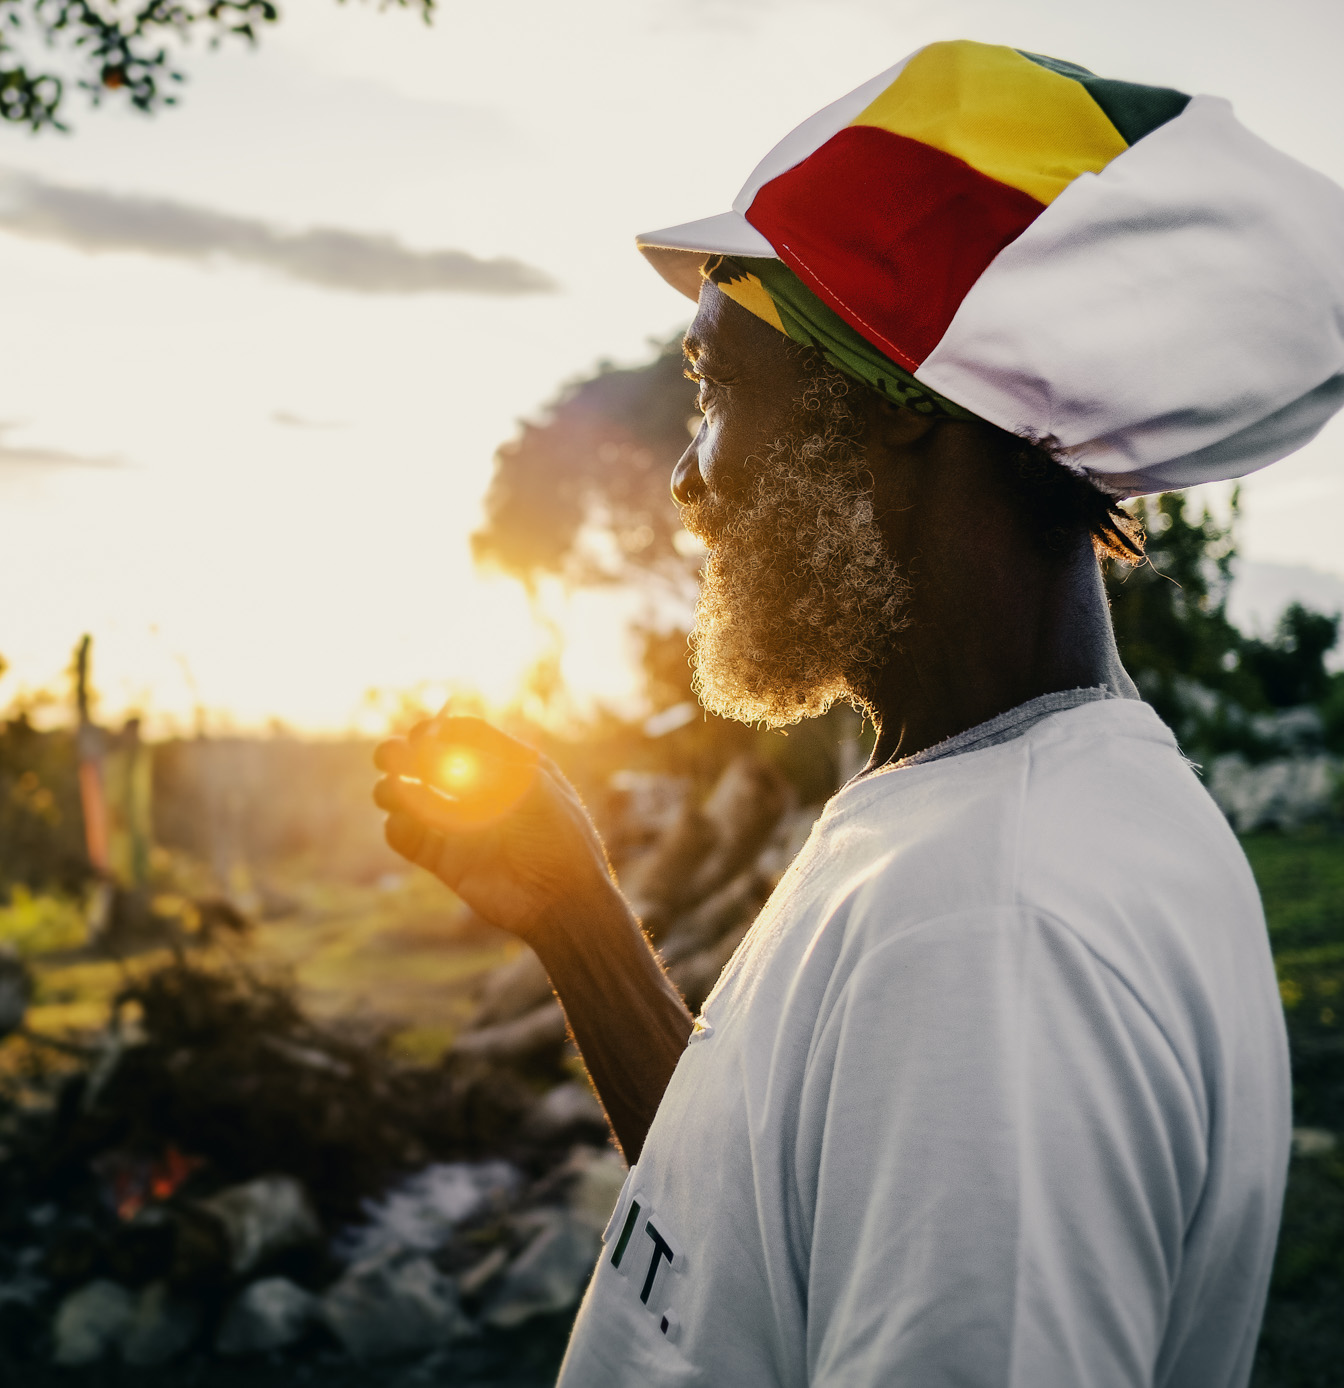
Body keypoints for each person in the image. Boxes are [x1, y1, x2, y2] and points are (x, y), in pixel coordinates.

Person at [374, 40, 1344, 1387]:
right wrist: (577, 919)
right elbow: (762, 1232)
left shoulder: (1000, 924)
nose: (687, 484)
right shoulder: (978, 812)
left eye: (714, 391)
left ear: (899, 405)